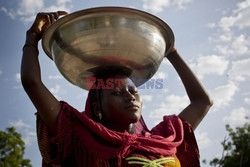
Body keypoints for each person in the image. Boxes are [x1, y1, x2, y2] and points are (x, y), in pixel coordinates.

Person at [21, 11, 213, 167]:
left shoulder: (164, 138)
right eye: (116, 92)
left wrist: (172, 52)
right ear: (97, 107)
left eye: (133, 91)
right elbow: (32, 83)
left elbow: (203, 102)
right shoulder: (81, 137)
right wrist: (32, 38)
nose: (129, 97)